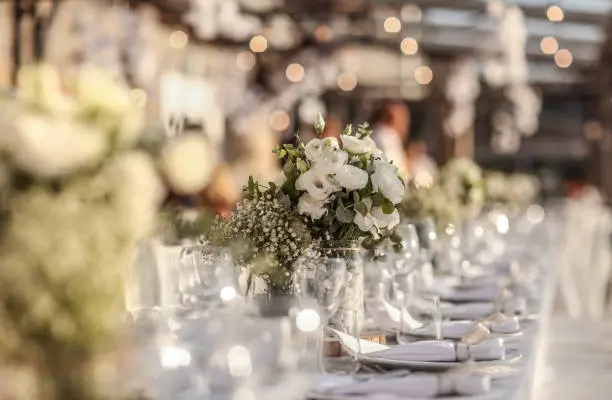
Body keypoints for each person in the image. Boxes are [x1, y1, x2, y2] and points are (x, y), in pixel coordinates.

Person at [371, 100, 410, 179]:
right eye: (403, 119)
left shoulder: (375, 133)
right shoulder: (388, 135)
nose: (406, 126)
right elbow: (397, 170)